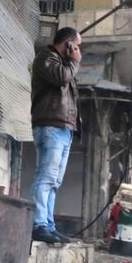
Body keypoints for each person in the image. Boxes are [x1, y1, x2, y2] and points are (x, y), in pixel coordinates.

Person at [29, 27, 82, 244]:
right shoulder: (46, 58)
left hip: (63, 128)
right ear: (68, 44)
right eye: (76, 46)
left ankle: (48, 225)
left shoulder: (63, 64)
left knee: (54, 181)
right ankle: (38, 224)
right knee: (46, 176)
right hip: (50, 124)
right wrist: (74, 61)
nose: (78, 51)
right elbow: (61, 78)